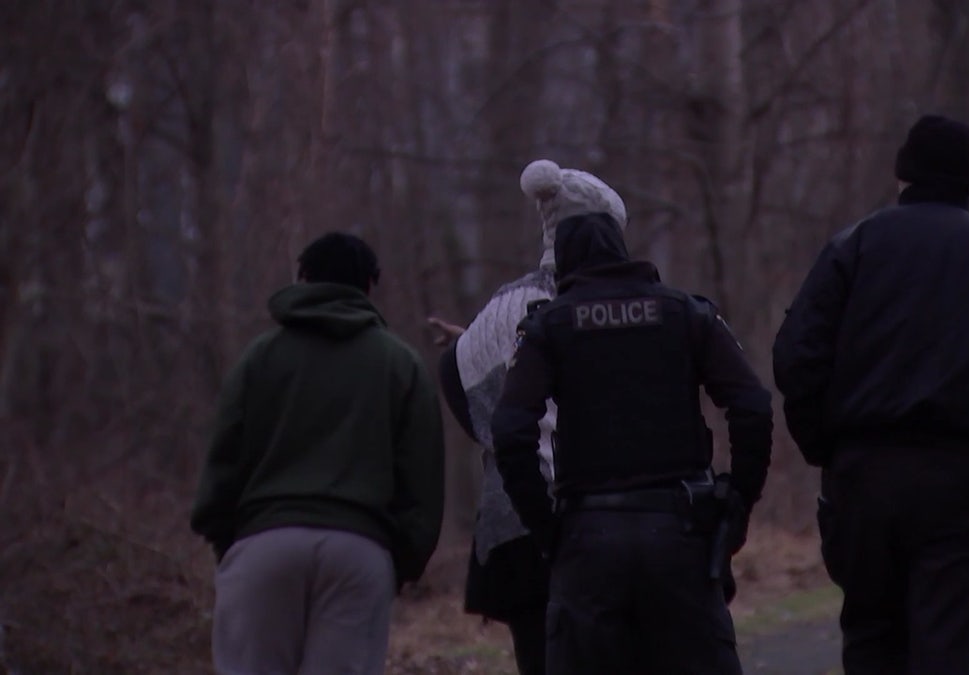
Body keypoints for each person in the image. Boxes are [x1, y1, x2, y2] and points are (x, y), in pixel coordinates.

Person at [772, 114, 969, 675]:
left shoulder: (854, 250)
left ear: (903, 174)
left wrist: (828, 451)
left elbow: (796, 357)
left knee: (869, 639)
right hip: (966, 484)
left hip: (865, 477)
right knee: (944, 648)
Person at [492, 211, 773, 675]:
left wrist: (547, 529)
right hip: (680, 535)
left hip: (587, 541)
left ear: (563, 268)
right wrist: (737, 502)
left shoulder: (550, 327)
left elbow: (510, 429)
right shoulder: (685, 313)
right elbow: (753, 406)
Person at [190, 232, 445, 675]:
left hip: (263, 544)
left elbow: (222, 463)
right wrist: (399, 563)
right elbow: (421, 481)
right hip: (359, 550)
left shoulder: (260, 357)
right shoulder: (400, 363)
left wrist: (228, 539)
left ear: (302, 279)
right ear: (369, 286)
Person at [427, 159, 628, 675]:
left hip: (515, 526)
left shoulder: (502, 306)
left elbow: (458, 380)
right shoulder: (613, 304)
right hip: (606, 525)